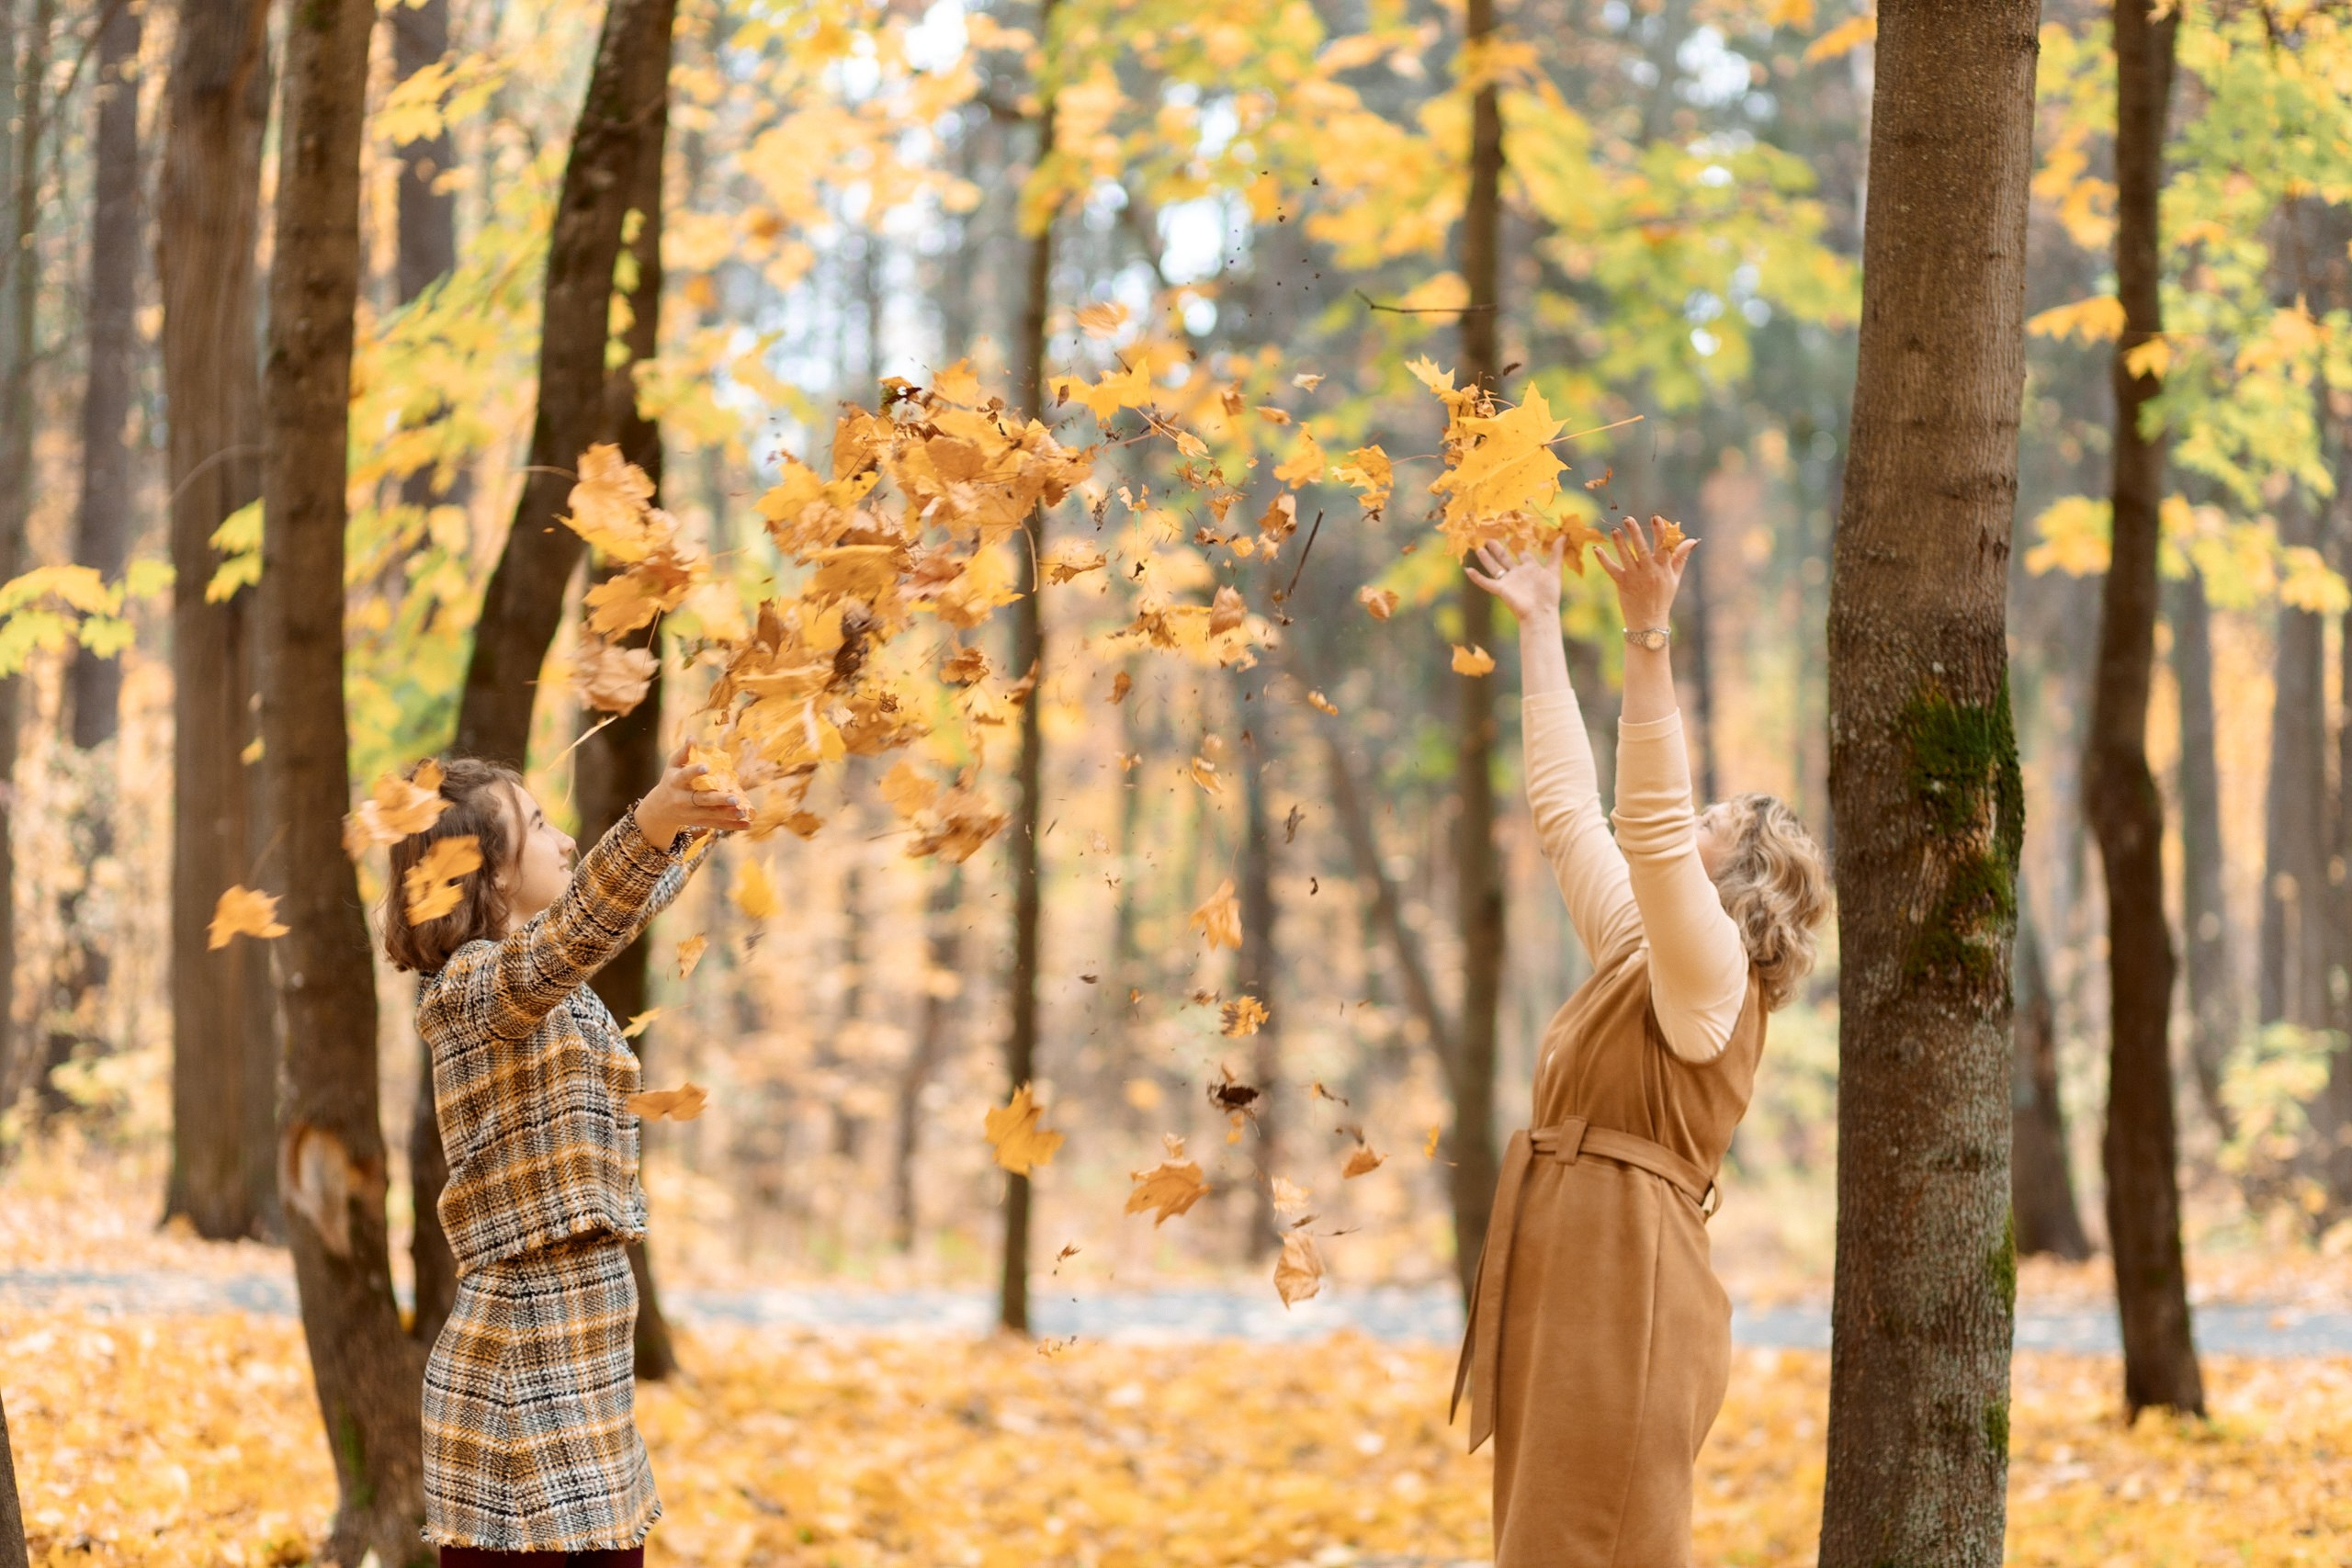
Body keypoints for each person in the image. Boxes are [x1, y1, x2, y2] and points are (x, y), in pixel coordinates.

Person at [1453, 518, 1830, 1567]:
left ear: (1744, 874)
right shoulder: (1645, 953)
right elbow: (1569, 810)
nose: (1692, 819)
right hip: (1569, 1254)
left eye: (1717, 818)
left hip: (1630, 1279)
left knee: (1590, 1542)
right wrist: (1538, 626)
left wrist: (1647, 637)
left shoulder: (1714, 974)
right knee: (1541, 1536)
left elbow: (1648, 826)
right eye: (1705, 807)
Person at [380, 745, 750, 1566]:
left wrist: (692, 822)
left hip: (583, 1356)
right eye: (539, 826)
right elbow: (572, 933)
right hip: (520, 1374)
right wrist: (649, 823)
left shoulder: (552, 985)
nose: (563, 841)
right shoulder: (470, 992)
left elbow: (606, 918)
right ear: (494, 875)